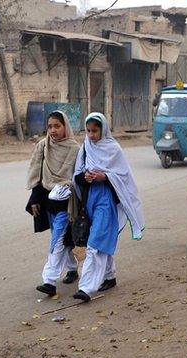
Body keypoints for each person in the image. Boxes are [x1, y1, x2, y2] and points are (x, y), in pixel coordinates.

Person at [71, 112, 145, 302]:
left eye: (95, 131)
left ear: (103, 129)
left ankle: (86, 287)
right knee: (101, 237)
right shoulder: (86, 147)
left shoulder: (114, 149)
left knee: (95, 243)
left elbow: (124, 177)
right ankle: (109, 276)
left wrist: (105, 177)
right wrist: (85, 177)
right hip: (89, 199)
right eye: (88, 131)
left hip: (107, 199)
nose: (91, 135)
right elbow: (77, 174)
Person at [26, 111, 80, 296]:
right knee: (63, 240)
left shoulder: (75, 149)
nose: (53, 130)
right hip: (48, 202)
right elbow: (37, 174)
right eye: (50, 126)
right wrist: (34, 199)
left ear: (65, 126)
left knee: (57, 240)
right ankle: (72, 268)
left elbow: (78, 176)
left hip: (67, 203)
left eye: (57, 126)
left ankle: (48, 280)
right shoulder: (43, 146)